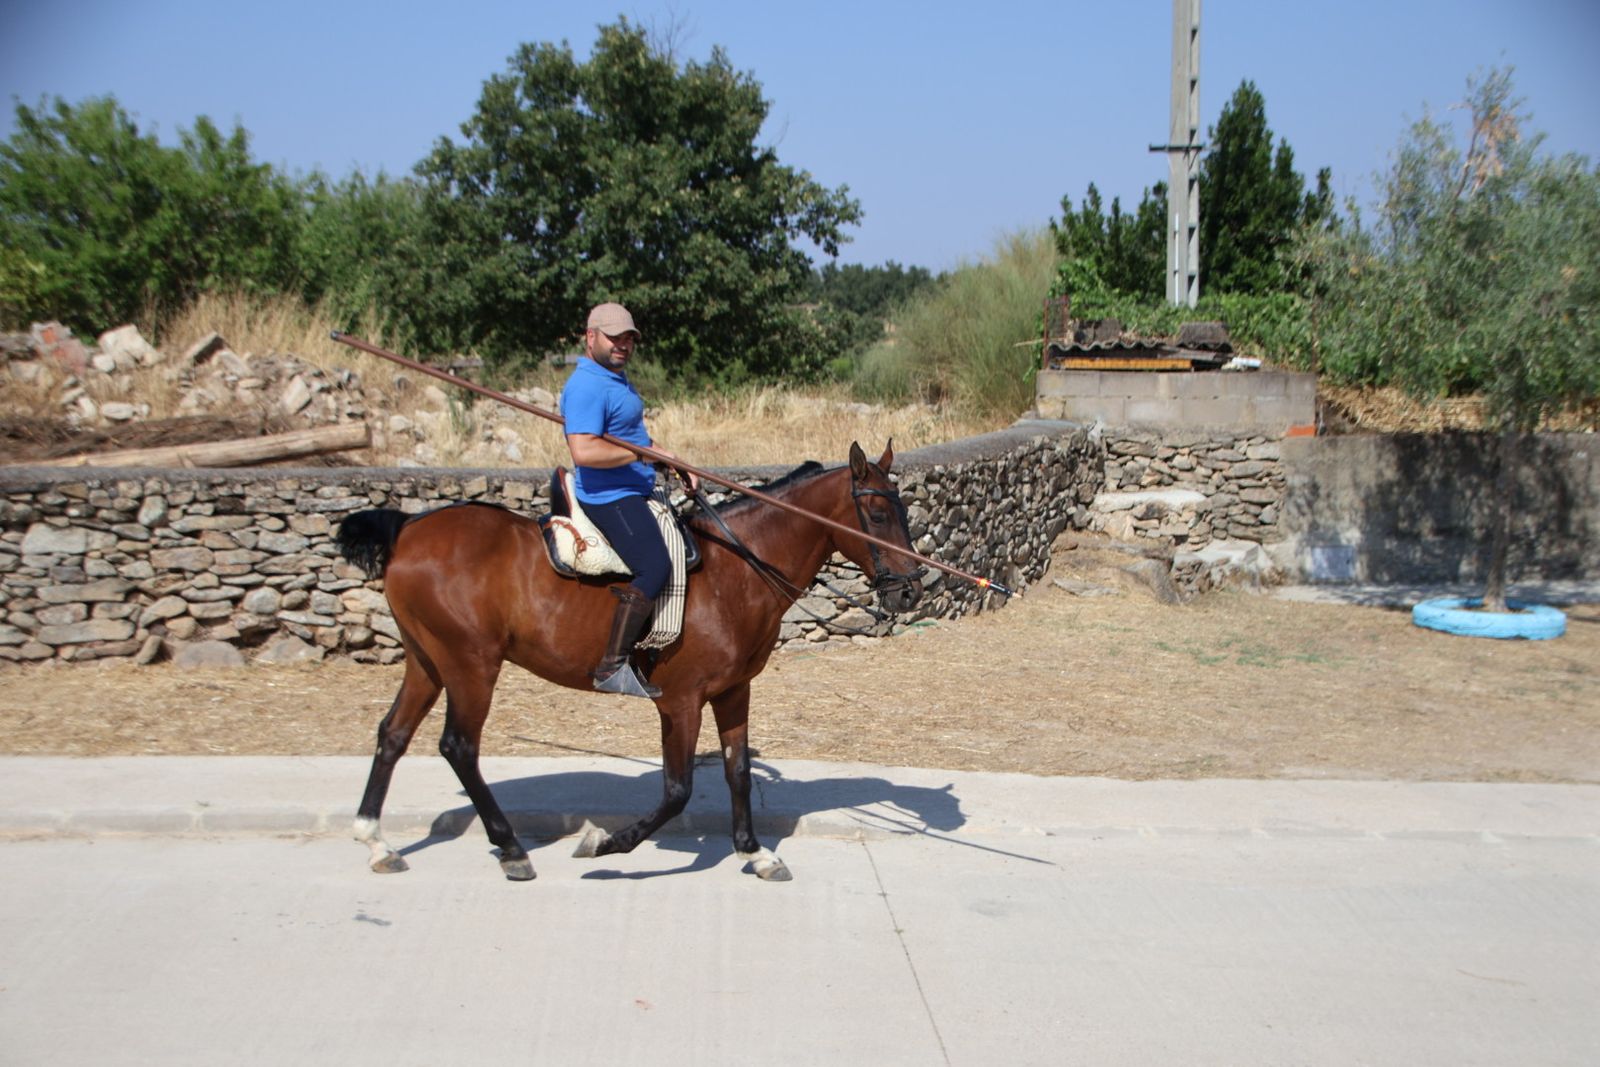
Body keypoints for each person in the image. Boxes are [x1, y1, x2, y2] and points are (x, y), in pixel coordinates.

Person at [561, 302, 696, 699]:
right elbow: (584, 452)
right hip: (608, 494)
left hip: (633, 487)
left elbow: (634, 440)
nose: (622, 345)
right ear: (590, 337)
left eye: (629, 338)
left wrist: (671, 459)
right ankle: (612, 666)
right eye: (613, 337)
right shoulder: (587, 385)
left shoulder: (615, 379)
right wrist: (643, 456)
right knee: (655, 564)